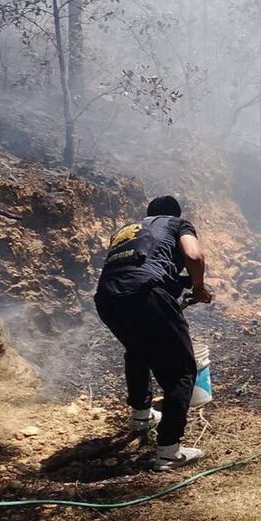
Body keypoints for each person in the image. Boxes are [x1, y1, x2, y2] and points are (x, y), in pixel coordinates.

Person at [93, 195, 213, 471]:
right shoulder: (177, 224)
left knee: (138, 351)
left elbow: (140, 270)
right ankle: (169, 450)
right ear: (174, 214)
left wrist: (179, 286)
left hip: (108, 299)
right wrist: (198, 286)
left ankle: (141, 416)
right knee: (182, 370)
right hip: (146, 295)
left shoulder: (127, 232)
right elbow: (194, 255)